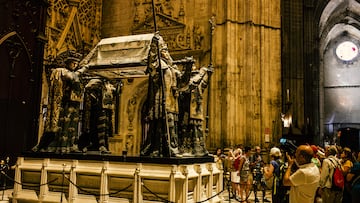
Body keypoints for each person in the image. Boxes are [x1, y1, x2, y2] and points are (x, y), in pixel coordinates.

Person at [140, 34, 192, 157]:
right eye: (163, 50)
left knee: (172, 126)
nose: (166, 52)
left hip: (172, 101)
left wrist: (188, 68)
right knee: (161, 127)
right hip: (161, 101)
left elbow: (182, 83)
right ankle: (167, 150)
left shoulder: (172, 68)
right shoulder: (159, 64)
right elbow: (152, 67)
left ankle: (171, 149)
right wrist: (154, 44)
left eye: (166, 50)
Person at [32, 50, 88, 153]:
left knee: (72, 126)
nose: (75, 65)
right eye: (73, 62)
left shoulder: (74, 73)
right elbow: (72, 78)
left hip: (73, 103)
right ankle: (55, 145)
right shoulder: (60, 71)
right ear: (67, 63)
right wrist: (83, 69)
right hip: (63, 104)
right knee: (60, 125)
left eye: (76, 63)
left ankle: (70, 144)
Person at [80, 79, 116, 153]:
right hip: (99, 109)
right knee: (100, 128)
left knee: (105, 129)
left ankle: (103, 145)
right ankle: (100, 145)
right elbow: (88, 87)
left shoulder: (109, 85)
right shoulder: (98, 83)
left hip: (106, 108)